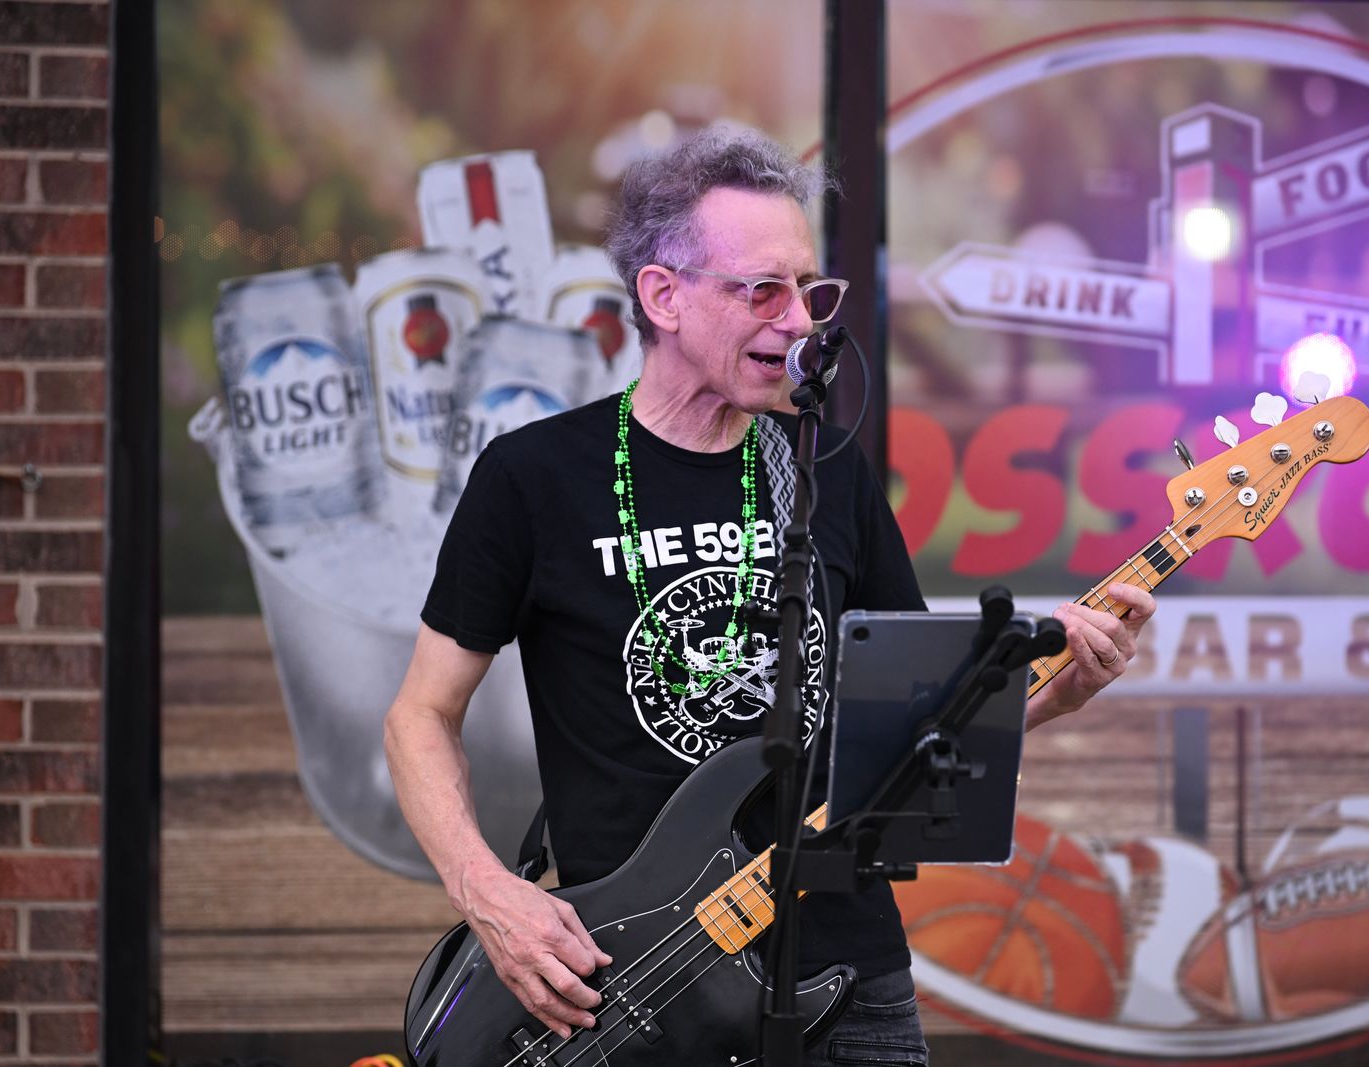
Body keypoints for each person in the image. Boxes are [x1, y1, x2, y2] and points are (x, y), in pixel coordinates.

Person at [384, 125, 1156, 1065]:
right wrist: (487, 892)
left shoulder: (826, 467)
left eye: (808, 290)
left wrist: (1053, 693)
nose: (798, 322)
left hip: (849, 973)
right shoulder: (535, 477)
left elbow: (914, 729)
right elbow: (420, 715)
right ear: (662, 296)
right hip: (630, 987)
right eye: (762, 290)